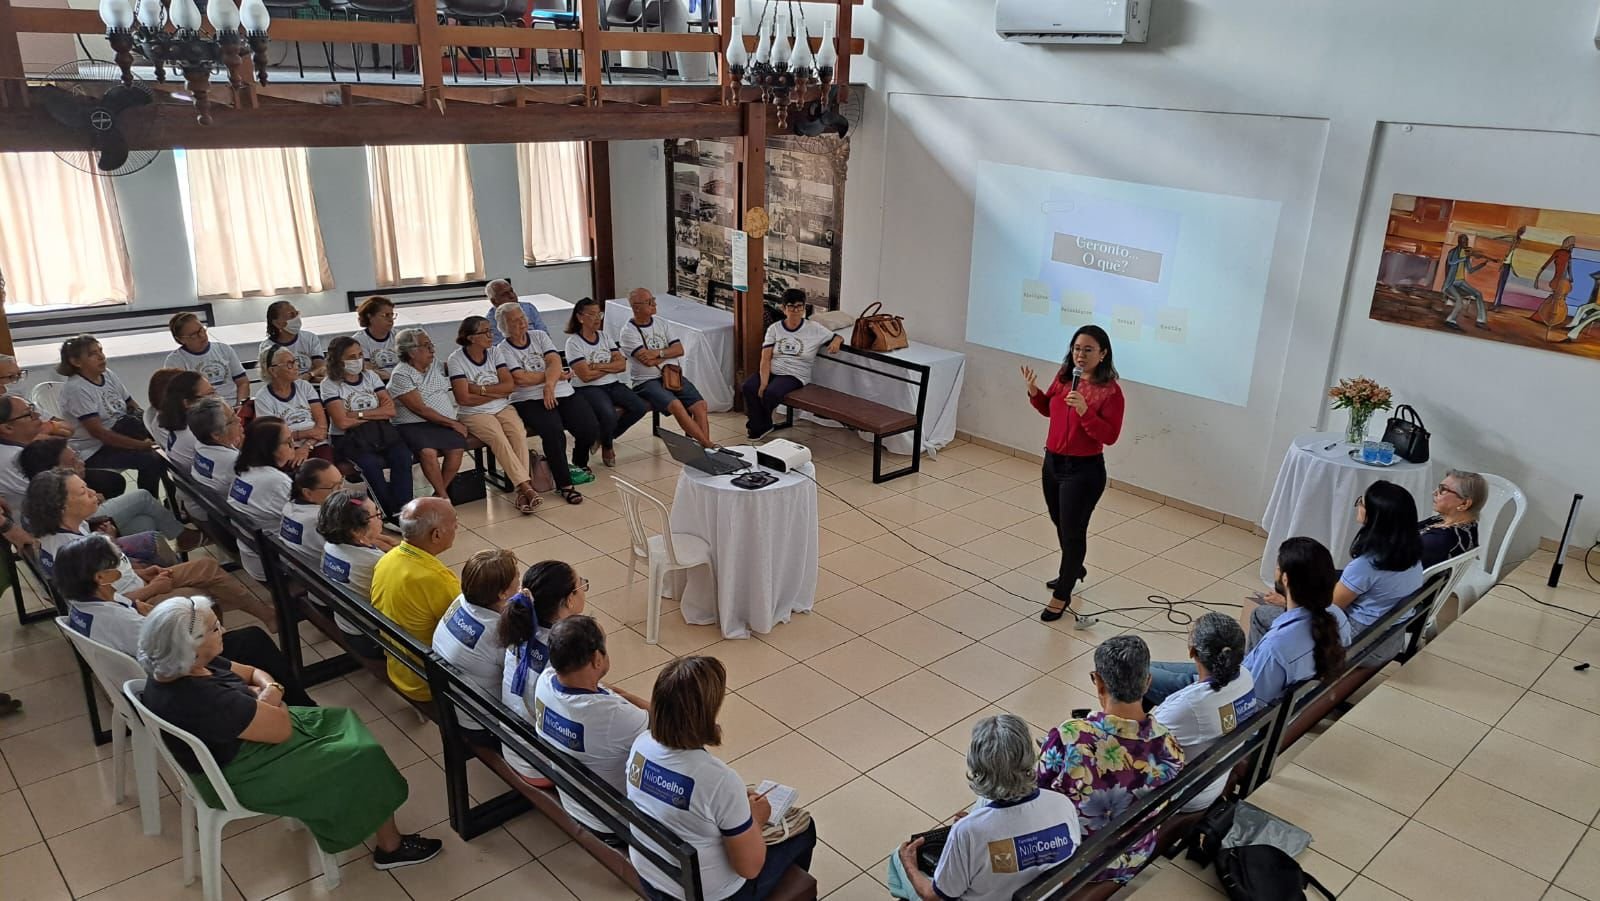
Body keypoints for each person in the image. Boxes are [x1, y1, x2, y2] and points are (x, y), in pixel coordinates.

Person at [136, 596, 443, 870]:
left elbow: (252, 672)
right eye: (216, 629)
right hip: (238, 774)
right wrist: (268, 694)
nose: (224, 631)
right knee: (362, 754)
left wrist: (268, 690)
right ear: (191, 645)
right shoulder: (207, 699)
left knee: (341, 720)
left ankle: (368, 816)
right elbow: (280, 729)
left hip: (237, 745)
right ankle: (391, 847)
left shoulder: (178, 666)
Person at [627, 656, 818, 901]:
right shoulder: (718, 780)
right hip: (710, 895)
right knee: (805, 830)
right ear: (707, 713)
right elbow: (749, 868)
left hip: (652, 875)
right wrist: (757, 819)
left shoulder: (640, 745)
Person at [55, 533, 313, 705]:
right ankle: (301, 703)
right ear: (102, 578)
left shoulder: (82, 604)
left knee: (223, 622)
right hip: (172, 681)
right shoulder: (121, 622)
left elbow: (132, 617)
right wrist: (209, 634)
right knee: (252, 641)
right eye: (118, 564)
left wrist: (138, 606)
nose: (124, 566)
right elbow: (175, 655)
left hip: (151, 664)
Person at [27, 467, 271, 623]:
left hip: (137, 582)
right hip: (135, 606)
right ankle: (213, 653)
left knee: (206, 567)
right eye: (83, 492)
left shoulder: (71, 527)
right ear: (61, 506)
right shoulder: (70, 551)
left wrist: (141, 572)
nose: (93, 493)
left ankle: (266, 615)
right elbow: (108, 604)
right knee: (199, 600)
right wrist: (153, 588)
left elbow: (110, 577)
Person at [1035, 635, 1182, 886]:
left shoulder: (1072, 735)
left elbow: (1038, 794)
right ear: (1147, 683)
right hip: (1133, 856)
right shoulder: (1169, 746)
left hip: (1072, 860)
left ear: (1099, 683)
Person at [892, 714, 1081, 901]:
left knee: (898, 860)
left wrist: (909, 865)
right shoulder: (1062, 804)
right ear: (1029, 757)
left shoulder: (968, 832)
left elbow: (934, 897)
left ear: (977, 769)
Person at [1022, 325, 1125, 627]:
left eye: (1088, 350)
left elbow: (1110, 436)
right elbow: (1047, 409)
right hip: (1053, 462)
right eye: (1077, 348)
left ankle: (1063, 593)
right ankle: (1073, 567)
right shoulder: (1066, 377)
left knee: (1072, 532)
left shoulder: (1111, 391)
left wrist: (1085, 411)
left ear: (1103, 354)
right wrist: (1034, 392)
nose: (1080, 355)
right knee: (1059, 521)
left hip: (1084, 470)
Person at [1244, 480, 1424, 652]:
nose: (1359, 504)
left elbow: (1327, 610)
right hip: (1389, 636)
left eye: (1362, 503)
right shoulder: (1411, 556)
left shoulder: (1367, 566)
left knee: (1261, 615)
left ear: (1374, 518)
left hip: (1357, 638)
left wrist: (1288, 602)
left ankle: (1254, 674)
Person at [533, 615, 650, 848]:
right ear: (597, 658)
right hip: (611, 820)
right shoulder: (612, 717)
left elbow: (607, 697)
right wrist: (630, 700)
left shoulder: (545, 682)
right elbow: (665, 723)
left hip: (573, 799)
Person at [18, 435, 206, 556]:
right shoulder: (51, 493)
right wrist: (91, 497)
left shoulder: (44, 486)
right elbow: (75, 521)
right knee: (142, 497)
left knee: (144, 523)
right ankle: (182, 535)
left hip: (85, 529)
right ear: (56, 469)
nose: (80, 461)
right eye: (73, 460)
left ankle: (154, 570)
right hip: (81, 538)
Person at [1143, 613, 1256, 813]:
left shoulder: (1186, 708)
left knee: (1145, 675)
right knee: (1149, 671)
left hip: (1186, 796)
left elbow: (1140, 749)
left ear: (1192, 651)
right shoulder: (1246, 678)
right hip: (1212, 777)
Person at [499, 559, 590, 786]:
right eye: (582, 586)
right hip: (537, 765)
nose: (584, 590)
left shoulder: (520, 628)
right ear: (570, 600)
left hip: (512, 745)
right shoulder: (566, 651)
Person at [1237, 538, 1351, 714]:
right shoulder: (1338, 617)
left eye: (1277, 566)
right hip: (1298, 710)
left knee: (1181, 678)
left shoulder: (1275, 648)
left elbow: (1248, 704)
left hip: (1252, 715)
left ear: (1285, 578)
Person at [495, 302, 594, 503]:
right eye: (515, 321)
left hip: (559, 391)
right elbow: (521, 378)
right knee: (553, 432)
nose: (521, 323)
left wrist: (550, 385)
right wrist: (553, 376)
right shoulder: (502, 349)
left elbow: (555, 361)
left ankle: (579, 462)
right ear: (504, 327)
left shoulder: (539, 336)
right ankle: (565, 484)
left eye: (522, 318)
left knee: (589, 427)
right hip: (528, 399)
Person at [448, 316, 542, 515]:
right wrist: (494, 391)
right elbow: (463, 398)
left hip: (502, 406)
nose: (492, 335)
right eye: (485, 332)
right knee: (498, 438)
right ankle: (526, 487)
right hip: (474, 413)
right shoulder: (456, 359)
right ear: (471, 337)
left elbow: (509, 386)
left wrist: (480, 390)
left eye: (491, 330)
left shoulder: (495, 352)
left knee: (518, 432)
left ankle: (522, 491)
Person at [370, 497, 461, 701]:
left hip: (400, 668)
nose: (457, 527)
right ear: (436, 534)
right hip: (426, 681)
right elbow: (464, 629)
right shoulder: (435, 578)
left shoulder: (387, 559)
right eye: (454, 523)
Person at [56, 334, 165, 497]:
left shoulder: (107, 374)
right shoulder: (76, 389)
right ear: (76, 362)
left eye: (101, 350)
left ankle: (176, 500)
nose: (101, 356)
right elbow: (99, 434)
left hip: (121, 429)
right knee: (152, 459)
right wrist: (139, 445)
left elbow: (131, 404)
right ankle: (150, 499)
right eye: (93, 354)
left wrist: (147, 427)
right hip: (94, 449)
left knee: (164, 443)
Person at [430, 548, 518, 746]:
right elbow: (521, 678)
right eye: (517, 579)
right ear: (503, 593)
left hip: (455, 705)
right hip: (482, 724)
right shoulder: (498, 632)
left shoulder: (462, 601)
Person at [321, 336, 414, 517]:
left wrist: (359, 414)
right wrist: (375, 414)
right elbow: (342, 422)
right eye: (351, 357)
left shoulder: (370, 376)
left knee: (402, 456)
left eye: (360, 355)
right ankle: (388, 512)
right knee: (370, 466)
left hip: (380, 433)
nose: (357, 360)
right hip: (349, 438)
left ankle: (404, 508)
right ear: (338, 360)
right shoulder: (330, 384)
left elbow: (390, 410)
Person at [619, 289, 716, 449]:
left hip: (671, 375)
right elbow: (647, 362)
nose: (654, 304)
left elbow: (679, 349)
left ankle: (704, 448)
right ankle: (706, 444)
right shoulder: (628, 332)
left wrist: (658, 353)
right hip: (646, 381)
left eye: (653, 299)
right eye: (649, 302)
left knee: (700, 405)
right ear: (636, 307)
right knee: (676, 405)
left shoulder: (662, 323)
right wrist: (668, 354)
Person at [742, 289, 842, 440]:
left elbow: (836, 336)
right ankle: (762, 424)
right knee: (749, 386)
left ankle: (758, 425)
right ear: (783, 308)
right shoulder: (774, 328)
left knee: (771, 393)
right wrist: (763, 382)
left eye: (799, 307)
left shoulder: (813, 328)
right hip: (774, 370)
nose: (795, 311)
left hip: (795, 374)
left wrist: (836, 342)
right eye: (791, 307)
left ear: (803, 308)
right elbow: (765, 357)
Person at [1, 396, 124, 513]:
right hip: (49, 512)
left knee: (113, 481)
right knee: (141, 497)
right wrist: (89, 495)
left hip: (60, 485)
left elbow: (67, 430)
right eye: (29, 414)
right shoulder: (11, 461)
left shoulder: (25, 441)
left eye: (33, 409)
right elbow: (48, 496)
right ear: (7, 428)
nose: (37, 415)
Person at [565, 297, 647, 469]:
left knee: (639, 407)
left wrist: (596, 366)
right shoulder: (573, 343)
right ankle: (607, 446)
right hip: (587, 388)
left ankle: (603, 438)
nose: (597, 319)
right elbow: (585, 376)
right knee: (608, 414)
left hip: (612, 384)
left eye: (599, 314)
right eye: (592, 314)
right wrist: (609, 367)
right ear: (580, 317)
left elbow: (622, 365)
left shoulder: (604, 336)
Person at [388, 328, 470, 500]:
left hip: (441, 422)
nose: (432, 349)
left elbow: (453, 368)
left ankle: (438, 495)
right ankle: (443, 496)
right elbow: (420, 409)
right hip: (413, 424)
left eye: (431, 344)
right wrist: (453, 423)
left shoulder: (434, 365)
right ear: (411, 352)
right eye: (426, 346)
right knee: (428, 452)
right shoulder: (401, 374)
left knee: (456, 449)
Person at [318, 487, 397, 659]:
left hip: (348, 623)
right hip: (371, 638)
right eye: (376, 515)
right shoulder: (376, 562)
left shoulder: (331, 545)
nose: (380, 518)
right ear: (355, 531)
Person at [228, 418, 295, 582]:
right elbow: (304, 523)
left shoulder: (246, 468)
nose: (293, 445)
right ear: (272, 449)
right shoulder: (277, 482)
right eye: (288, 442)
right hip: (275, 563)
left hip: (254, 552)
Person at [254, 346, 329, 463]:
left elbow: (322, 427)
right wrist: (307, 433)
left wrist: (306, 446)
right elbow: (273, 437)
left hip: (316, 442)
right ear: (273, 371)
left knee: (326, 469)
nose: (296, 367)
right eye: (289, 364)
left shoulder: (305, 386)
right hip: (286, 448)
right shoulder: (262, 398)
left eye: (295, 362)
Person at [164, 311, 250, 404]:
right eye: (194, 335)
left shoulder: (224, 349)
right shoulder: (175, 361)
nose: (202, 335)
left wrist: (240, 406)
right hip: (202, 411)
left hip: (233, 404)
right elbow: (178, 397)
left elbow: (243, 382)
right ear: (181, 339)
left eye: (202, 330)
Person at [279, 458, 342, 566]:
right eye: (334, 487)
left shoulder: (289, 507)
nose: (342, 491)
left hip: (301, 572)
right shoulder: (323, 520)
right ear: (308, 493)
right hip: (322, 578)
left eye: (341, 482)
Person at [1419, 469, 1485, 568]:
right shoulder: (1452, 521)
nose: (1434, 493)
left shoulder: (1439, 539)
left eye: (1443, 490)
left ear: (1464, 504)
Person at [156, 370, 215, 473]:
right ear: (187, 403)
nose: (216, 399)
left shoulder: (179, 427)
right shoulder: (197, 435)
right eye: (210, 394)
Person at [0, 352, 72, 437]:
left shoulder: (24, 403)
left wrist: (52, 427)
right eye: (11, 377)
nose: (18, 381)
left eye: (19, 375)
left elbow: (67, 427)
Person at [189, 397, 243, 503]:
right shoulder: (234, 460)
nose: (239, 419)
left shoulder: (200, 444)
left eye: (234, 412)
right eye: (232, 420)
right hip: (228, 514)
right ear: (216, 435)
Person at [259, 300, 326, 381]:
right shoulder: (267, 346)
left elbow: (320, 366)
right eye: (291, 315)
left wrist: (309, 375)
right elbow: (275, 377)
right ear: (277, 323)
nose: (296, 317)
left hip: (312, 385)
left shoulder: (310, 337)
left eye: (296, 313)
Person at [1442, 234, 1490, 331]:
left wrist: (1482, 265)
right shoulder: (1453, 252)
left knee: (1478, 294)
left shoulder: (1466, 254)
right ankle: (1450, 320)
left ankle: (1481, 320)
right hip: (1451, 283)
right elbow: (1451, 262)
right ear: (1459, 242)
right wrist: (1466, 256)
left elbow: (1470, 270)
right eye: (1464, 241)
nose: (1465, 243)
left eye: (1466, 241)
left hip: (1461, 281)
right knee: (1459, 300)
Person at [484, 278, 548, 342]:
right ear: (494, 301)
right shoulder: (490, 322)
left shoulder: (528, 308)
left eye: (511, 291)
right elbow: (498, 347)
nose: (512, 296)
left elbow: (544, 334)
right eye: (505, 294)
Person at [352, 295, 400, 380]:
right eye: (385, 315)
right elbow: (366, 369)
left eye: (392, 315)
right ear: (370, 316)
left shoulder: (398, 335)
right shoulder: (359, 341)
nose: (390, 319)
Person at [1534, 236, 1578, 327]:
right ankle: (1542, 315)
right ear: (1567, 244)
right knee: (1554, 295)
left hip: (1563, 278)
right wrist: (1539, 275)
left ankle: (1555, 317)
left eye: (1572, 246)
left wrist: (1571, 277)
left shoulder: (1569, 254)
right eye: (1571, 245)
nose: (1572, 247)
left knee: (1559, 295)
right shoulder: (1558, 252)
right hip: (1557, 277)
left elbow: (1569, 267)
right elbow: (1548, 262)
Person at [1489, 225, 1526, 310]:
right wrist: (1496, 238)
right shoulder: (1514, 238)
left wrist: (1510, 267)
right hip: (1506, 264)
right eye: (1521, 230)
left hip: (1507, 265)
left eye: (1522, 231)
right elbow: (1504, 239)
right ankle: (1496, 304)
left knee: (1501, 284)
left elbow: (1512, 254)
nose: (1520, 232)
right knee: (1500, 284)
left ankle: (1496, 304)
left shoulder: (1518, 240)